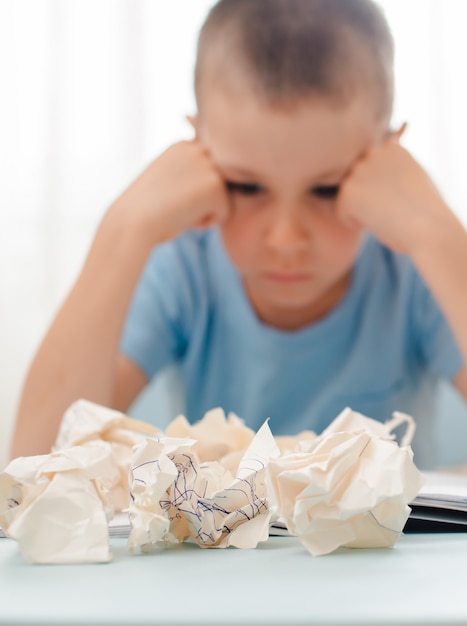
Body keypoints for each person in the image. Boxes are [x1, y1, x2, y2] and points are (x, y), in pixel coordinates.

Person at [11, 0, 467, 468]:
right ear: (199, 151)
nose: (286, 240)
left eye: (328, 189)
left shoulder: (413, 268)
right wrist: (123, 230)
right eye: (246, 186)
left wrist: (439, 236)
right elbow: (33, 470)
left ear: (390, 160)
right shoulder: (185, 264)